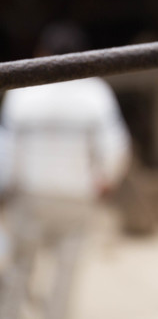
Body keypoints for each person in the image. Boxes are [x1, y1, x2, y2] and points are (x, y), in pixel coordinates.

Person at [0, 23, 131, 319]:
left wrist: (5, 187)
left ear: (42, 53)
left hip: (31, 196)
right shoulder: (96, 92)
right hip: (78, 196)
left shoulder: (24, 91)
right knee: (66, 272)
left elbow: (6, 149)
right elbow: (115, 147)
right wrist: (105, 181)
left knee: (20, 267)